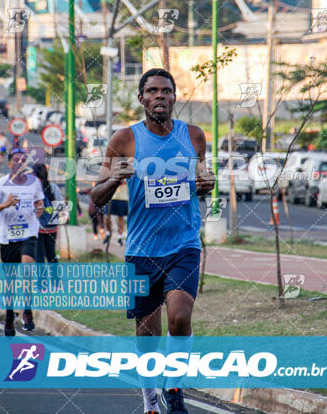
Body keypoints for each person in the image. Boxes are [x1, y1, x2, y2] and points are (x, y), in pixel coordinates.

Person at [91, 68, 215, 414]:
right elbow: (95, 199)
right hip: (142, 250)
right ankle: (149, 403)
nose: (160, 96)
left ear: (175, 97)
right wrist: (115, 178)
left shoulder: (193, 135)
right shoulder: (124, 140)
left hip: (183, 244)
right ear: (141, 98)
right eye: (153, 91)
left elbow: (204, 177)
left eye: (166, 91)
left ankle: (174, 388)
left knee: (179, 318)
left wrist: (208, 182)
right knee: (147, 334)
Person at [0, 147, 44, 336]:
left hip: (29, 233)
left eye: (23, 160)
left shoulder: (34, 183)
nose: (20, 163)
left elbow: (38, 202)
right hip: (8, 238)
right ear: (10, 163)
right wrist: (4, 205)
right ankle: (10, 317)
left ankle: (27, 310)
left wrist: (39, 208)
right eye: (16, 159)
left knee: (26, 269)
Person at [32, 163, 62, 264]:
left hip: (37, 228)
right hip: (52, 228)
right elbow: (61, 209)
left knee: (39, 256)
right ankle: (56, 279)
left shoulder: (32, 188)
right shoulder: (54, 187)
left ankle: (41, 280)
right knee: (51, 255)